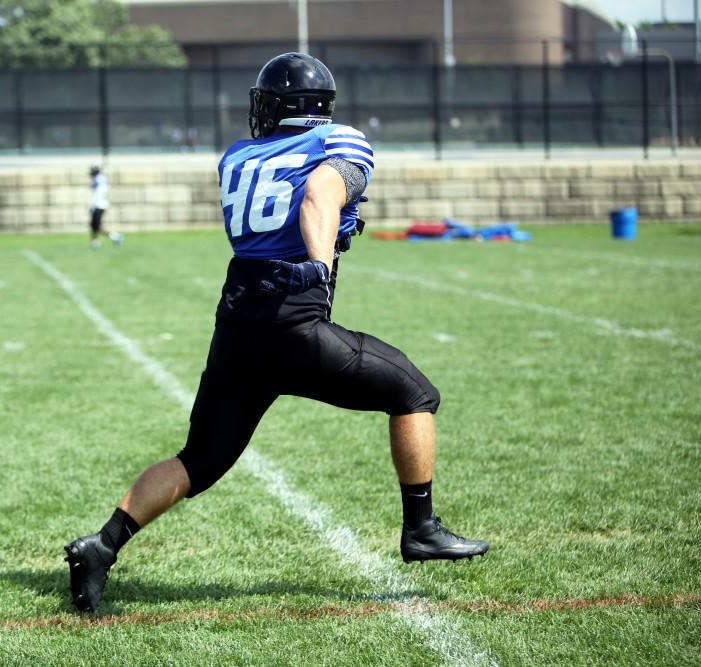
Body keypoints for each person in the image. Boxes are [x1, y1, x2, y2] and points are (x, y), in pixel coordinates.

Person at [65, 53, 488, 614]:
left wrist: (338, 229)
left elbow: (284, 213)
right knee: (414, 394)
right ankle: (421, 527)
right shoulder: (341, 143)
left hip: (239, 321)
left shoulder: (236, 157)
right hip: (294, 319)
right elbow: (318, 194)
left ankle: (102, 545)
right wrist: (322, 263)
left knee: (200, 459)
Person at [88, 165, 122, 249]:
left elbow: (95, 187)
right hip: (99, 205)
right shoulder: (101, 179)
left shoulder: (99, 179)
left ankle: (115, 237)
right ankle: (96, 241)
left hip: (99, 205)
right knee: (94, 225)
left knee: (97, 225)